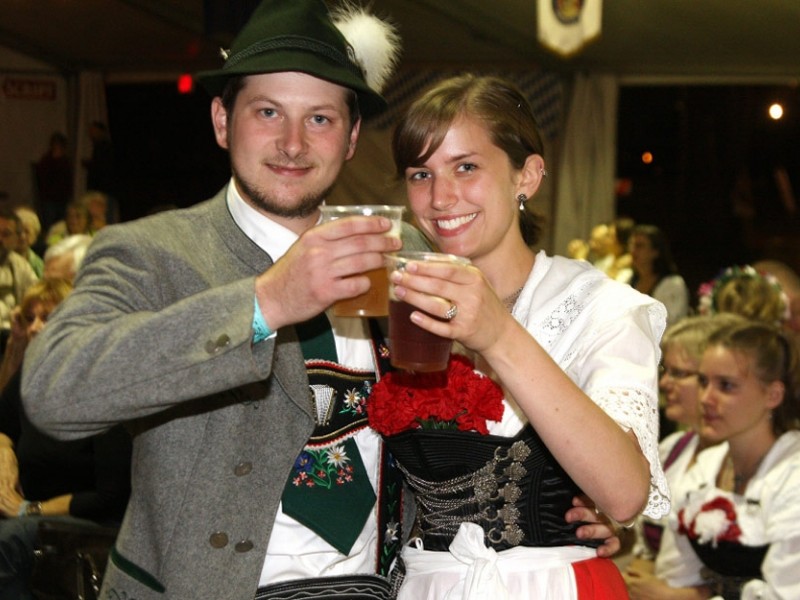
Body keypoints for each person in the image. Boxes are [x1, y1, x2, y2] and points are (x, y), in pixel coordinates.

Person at [20, 4, 619, 599]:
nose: (292, 143)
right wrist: (265, 303)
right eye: (268, 112)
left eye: (321, 119)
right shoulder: (152, 252)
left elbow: (475, 411)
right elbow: (53, 393)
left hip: (380, 588)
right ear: (222, 121)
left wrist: (558, 504)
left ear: (353, 137)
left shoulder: (404, 251)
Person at [380, 73, 670, 598]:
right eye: (421, 174)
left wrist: (498, 335)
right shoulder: (396, 306)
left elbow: (625, 496)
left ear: (528, 175)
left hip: (553, 583)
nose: (442, 197)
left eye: (466, 167)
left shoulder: (602, 309)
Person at [0, 279, 132, 599]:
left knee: (11, 538)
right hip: (27, 512)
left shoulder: (104, 388)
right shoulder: (32, 375)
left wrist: (29, 510)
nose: (35, 328)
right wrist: (5, 456)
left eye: (46, 318)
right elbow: (2, 425)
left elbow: (109, 497)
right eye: (30, 319)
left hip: (96, 520)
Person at [666, 318, 800, 599]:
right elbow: (675, 576)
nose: (706, 398)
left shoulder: (792, 475)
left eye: (726, 386)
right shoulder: (705, 468)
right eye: (703, 381)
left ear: (773, 395)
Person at [623, 314, 740, 599]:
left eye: (678, 373)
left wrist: (687, 596)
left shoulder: (741, 461)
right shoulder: (674, 447)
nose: (663, 383)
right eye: (666, 370)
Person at [628, 224, 689, 327]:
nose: (633, 251)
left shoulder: (673, 285)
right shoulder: (629, 280)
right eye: (632, 245)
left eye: (639, 246)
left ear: (655, 252)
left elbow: (670, 323)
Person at [0, 208, 38, 335]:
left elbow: (34, 298)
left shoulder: (20, 265)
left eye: (6, 234)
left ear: (16, 238)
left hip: (12, 333)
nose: (0, 239)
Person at [33, 132, 73, 233]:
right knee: (50, 226)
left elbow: (67, 179)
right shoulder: (46, 160)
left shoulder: (65, 161)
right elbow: (42, 177)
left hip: (62, 198)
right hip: (49, 198)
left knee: (62, 226)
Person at [11, 206, 44, 279]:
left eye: (27, 231)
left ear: (35, 235)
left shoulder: (38, 264)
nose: (22, 236)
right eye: (18, 231)